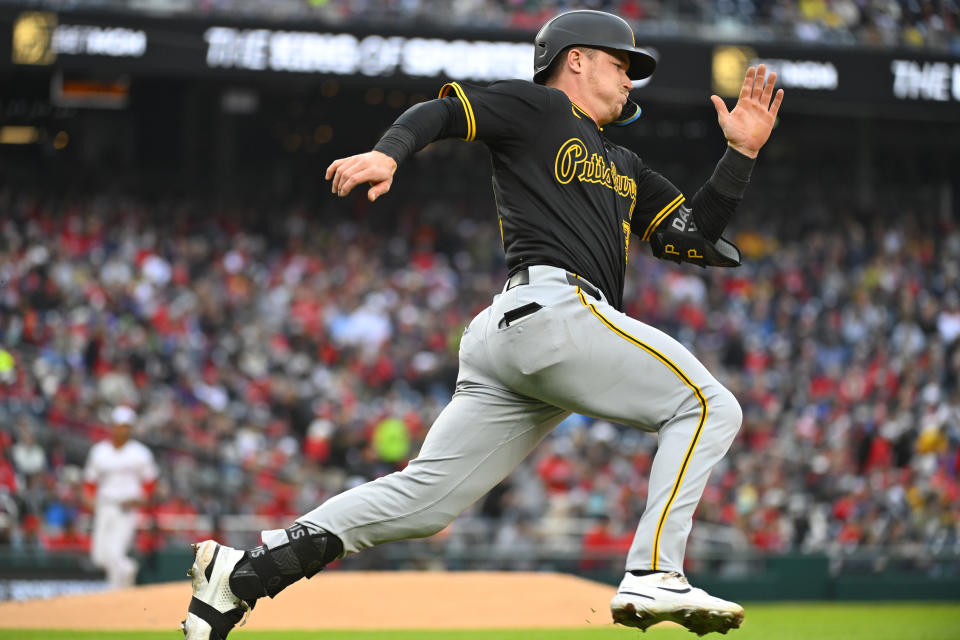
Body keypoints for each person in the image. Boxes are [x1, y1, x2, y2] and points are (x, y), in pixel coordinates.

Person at [180, 10, 783, 639]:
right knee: (711, 407)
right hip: (554, 310)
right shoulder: (538, 108)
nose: (631, 79)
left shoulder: (627, 164)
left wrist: (739, 154)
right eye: (620, 63)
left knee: (425, 502)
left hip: (518, 335)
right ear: (575, 58)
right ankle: (655, 571)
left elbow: (692, 239)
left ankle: (243, 574)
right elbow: (440, 112)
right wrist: (389, 155)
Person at [83, 405, 158, 589]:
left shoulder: (140, 452)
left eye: (126, 426)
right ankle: (128, 568)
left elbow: (150, 481)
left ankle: (115, 596)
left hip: (128, 507)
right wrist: (89, 499)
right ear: (112, 427)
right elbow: (89, 481)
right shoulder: (99, 451)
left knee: (115, 552)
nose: (122, 429)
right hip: (105, 504)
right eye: (119, 425)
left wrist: (141, 498)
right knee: (99, 556)